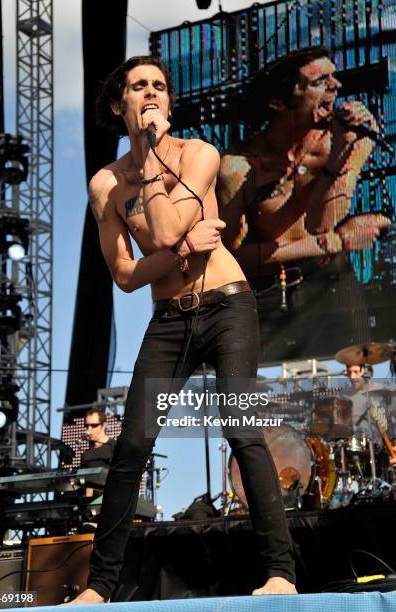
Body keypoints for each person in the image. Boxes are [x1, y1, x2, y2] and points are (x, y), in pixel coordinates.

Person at [68, 56, 296, 604]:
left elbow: (166, 225)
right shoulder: (104, 186)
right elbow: (125, 274)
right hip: (169, 320)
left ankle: (281, 573)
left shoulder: (200, 154)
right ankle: (100, 586)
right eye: (138, 86)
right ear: (119, 103)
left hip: (228, 305)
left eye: (159, 87)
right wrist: (182, 252)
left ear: (169, 103)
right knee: (132, 445)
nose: (150, 93)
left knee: (241, 430)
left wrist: (155, 174)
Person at [217, 46, 391, 360]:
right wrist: (333, 242)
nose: (335, 86)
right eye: (320, 81)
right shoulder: (239, 167)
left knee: (356, 376)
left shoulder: (347, 138)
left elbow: (319, 224)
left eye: (334, 77)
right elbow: (228, 259)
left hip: (333, 284)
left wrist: (340, 158)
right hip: (270, 292)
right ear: (279, 101)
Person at [80, 409, 116, 498]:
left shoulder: (115, 446)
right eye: (87, 426)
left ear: (103, 425)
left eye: (94, 425)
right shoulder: (86, 454)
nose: (89, 429)